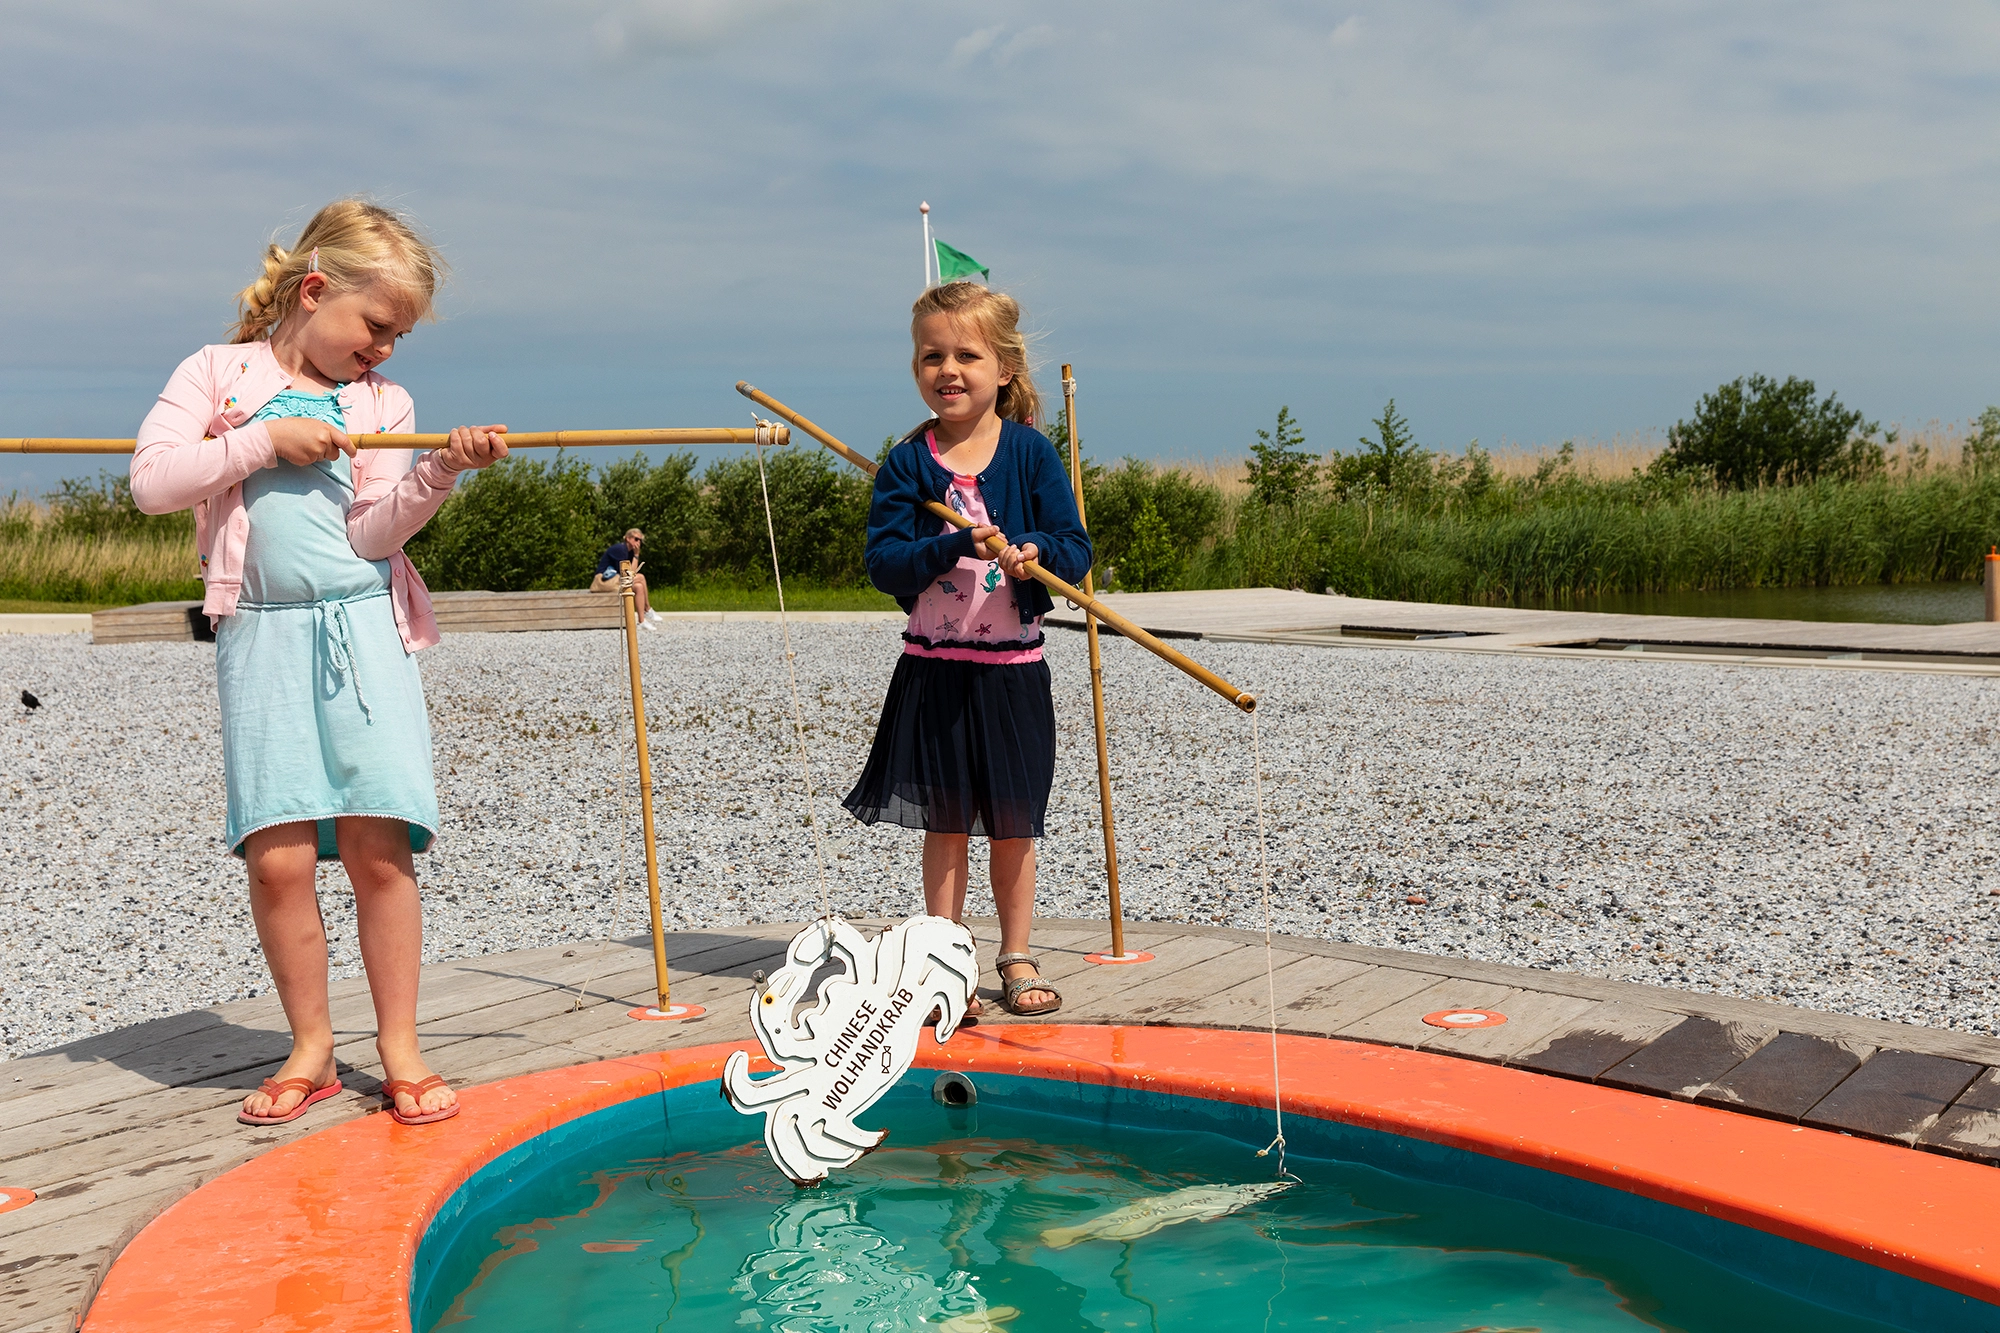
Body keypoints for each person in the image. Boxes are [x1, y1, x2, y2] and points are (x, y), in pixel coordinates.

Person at [130, 199, 510, 1128]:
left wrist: (438, 472)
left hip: (360, 630)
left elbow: (372, 532)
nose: (385, 350)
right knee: (280, 855)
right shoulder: (219, 374)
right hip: (261, 633)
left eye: (399, 336)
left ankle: (401, 1047)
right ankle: (311, 1047)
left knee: (380, 847)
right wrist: (260, 439)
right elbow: (150, 482)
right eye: (377, 326)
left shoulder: (384, 404)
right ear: (314, 291)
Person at [842, 281, 1092, 1016]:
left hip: (1012, 673)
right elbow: (884, 561)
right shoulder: (907, 465)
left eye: (966, 355)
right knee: (945, 821)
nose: (948, 370)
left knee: (1013, 820)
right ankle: (944, 959)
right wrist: (950, 542)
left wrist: (1034, 551)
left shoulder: (1030, 454)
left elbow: (1074, 550)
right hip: (934, 672)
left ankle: (1015, 954)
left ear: (1004, 369)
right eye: (932, 355)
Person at [590, 527, 661, 629]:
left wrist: (635, 555)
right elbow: (630, 574)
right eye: (636, 539)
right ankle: (647, 609)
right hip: (603, 581)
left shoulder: (630, 552)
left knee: (639, 587)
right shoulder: (620, 549)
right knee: (640, 577)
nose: (638, 542)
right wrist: (636, 555)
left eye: (640, 540)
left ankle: (642, 621)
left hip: (616, 580)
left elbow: (631, 574)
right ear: (628, 538)